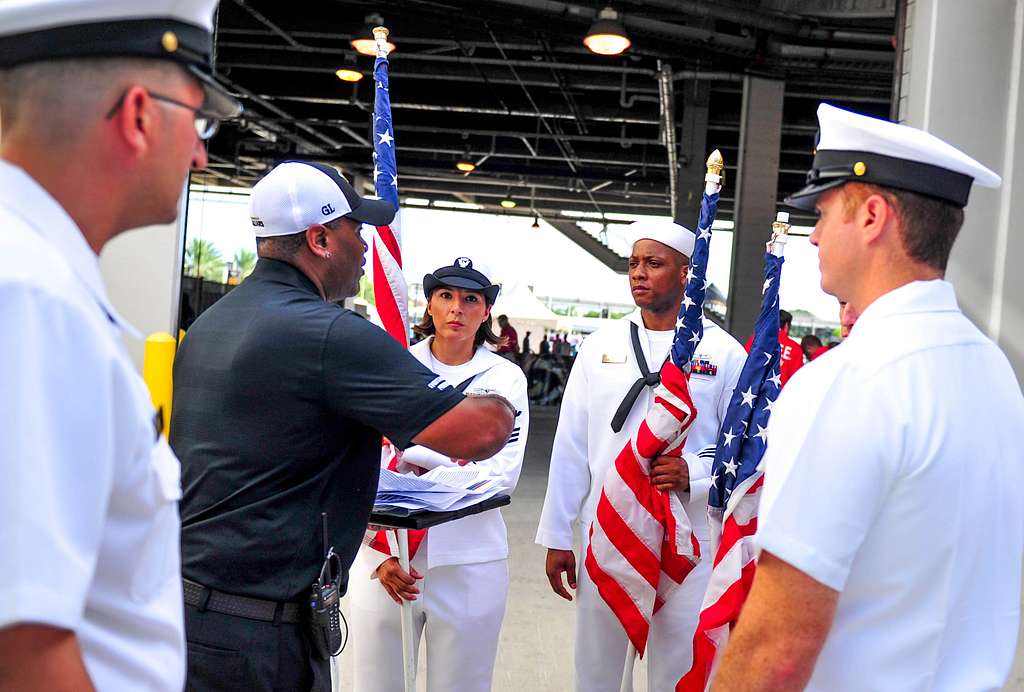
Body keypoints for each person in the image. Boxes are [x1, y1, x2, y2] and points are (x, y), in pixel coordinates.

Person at [169, 162, 515, 691]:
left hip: (189, 614)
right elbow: (480, 432)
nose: (367, 245)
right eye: (358, 229)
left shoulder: (212, 323)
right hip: (259, 636)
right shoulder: (330, 334)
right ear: (320, 238)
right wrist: (498, 395)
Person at [713, 103, 1024, 691]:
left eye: (825, 212)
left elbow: (778, 646)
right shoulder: (994, 371)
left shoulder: (849, 380)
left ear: (873, 216)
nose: (813, 234)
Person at [0, 2, 240, 690]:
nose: (200, 151)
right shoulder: (32, 298)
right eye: (199, 120)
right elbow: (24, 655)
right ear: (138, 115)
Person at [536, 219, 746, 692]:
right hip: (608, 532)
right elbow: (572, 445)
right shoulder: (599, 346)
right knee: (598, 672)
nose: (639, 273)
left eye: (654, 263)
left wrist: (695, 471)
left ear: (687, 274)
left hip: (688, 541)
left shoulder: (725, 352)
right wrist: (555, 534)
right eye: (633, 263)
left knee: (679, 670)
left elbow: (745, 448)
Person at [350, 257, 529, 692]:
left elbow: (498, 476)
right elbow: (360, 463)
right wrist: (378, 549)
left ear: (486, 312)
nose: (457, 308)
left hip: (469, 560)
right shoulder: (394, 366)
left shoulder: (504, 378)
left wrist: (417, 451)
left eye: (471, 300)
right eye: (445, 296)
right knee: (375, 686)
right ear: (428, 305)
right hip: (385, 559)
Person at [744, 308, 803, 386]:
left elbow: (743, 363)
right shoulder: (795, 349)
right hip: (780, 395)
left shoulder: (756, 340)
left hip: (752, 393)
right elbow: (797, 380)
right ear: (786, 326)